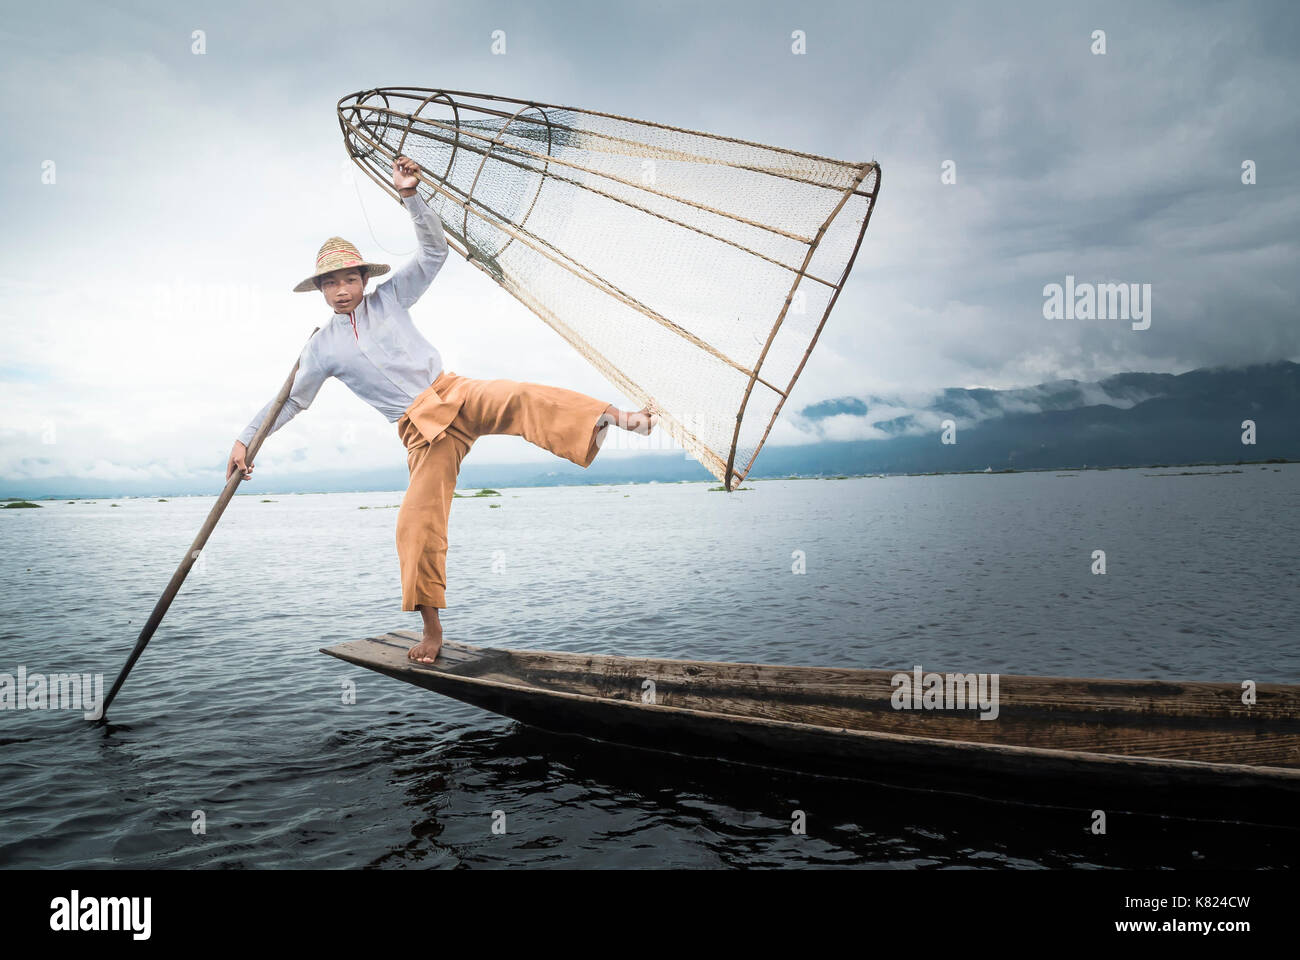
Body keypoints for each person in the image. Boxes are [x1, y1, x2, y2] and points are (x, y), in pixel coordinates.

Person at [228, 155, 655, 664]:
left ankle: (621, 417)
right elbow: (292, 400)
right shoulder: (320, 348)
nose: (341, 291)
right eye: (330, 284)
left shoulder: (388, 299)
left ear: (362, 279)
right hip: (421, 433)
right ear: (320, 291)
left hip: (454, 393)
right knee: (416, 526)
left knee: (518, 395)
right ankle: (433, 631)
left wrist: (410, 195)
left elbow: (434, 252)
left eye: (348, 279)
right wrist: (245, 441)